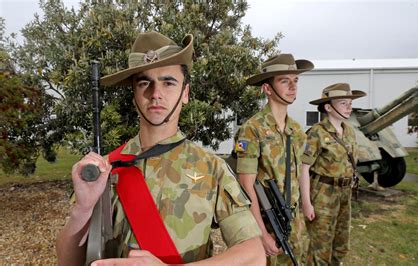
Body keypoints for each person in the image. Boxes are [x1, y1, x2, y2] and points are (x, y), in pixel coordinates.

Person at [56, 31, 265, 266]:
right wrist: (82, 210)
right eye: (144, 82)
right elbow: (67, 262)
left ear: (185, 94)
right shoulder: (106, 168)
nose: (155, 94)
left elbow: (254, 254)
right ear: (134, 94)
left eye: (168, 82)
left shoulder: (211, 167)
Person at [233, 54, 313, 265]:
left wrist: (306, 205)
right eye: (284, 81)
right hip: (266, 223)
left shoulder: (297, 131)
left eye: (295, 81)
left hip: (294, 222)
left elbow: (302, 172)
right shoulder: (251, 129)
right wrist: (261, 232)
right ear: (267, 89)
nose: (293, 87)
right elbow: (246, 185)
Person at [300, 83, 366, 265]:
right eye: (344, 103)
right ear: (329, 107)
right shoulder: (316, 133)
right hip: (323, 195)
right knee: (320, 247)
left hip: (345, 194)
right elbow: (304, 168)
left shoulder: (350, 131)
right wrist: (306, 203)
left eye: (350, 103)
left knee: (341, 245)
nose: (349, 107)